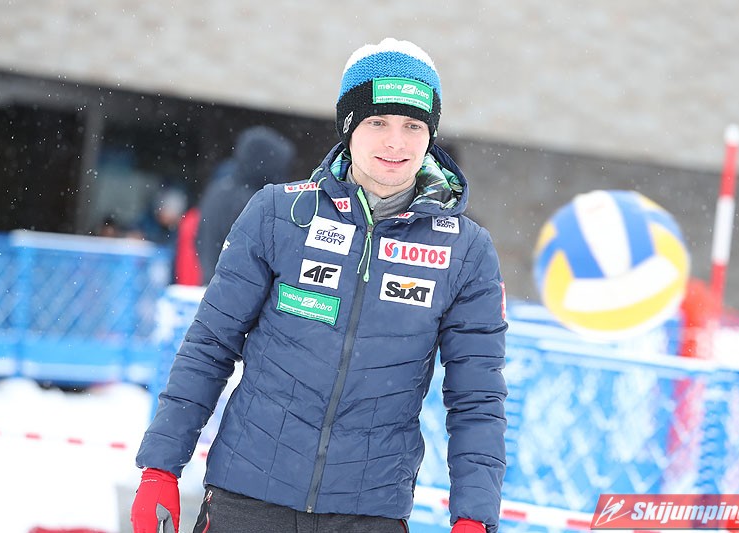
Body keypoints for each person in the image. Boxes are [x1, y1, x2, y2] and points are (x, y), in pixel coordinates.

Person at [131, 38, 508, 533]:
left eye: (413, 126)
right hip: (246, 500)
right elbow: (209, 347)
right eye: (378, 122)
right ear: (348, 127)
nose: (396, 142)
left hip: (368, 514)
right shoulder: (279, 213)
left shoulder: (466, 250)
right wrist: (160, 470)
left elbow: (477, 397)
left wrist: (474, 517)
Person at [195, 126, 296, 283]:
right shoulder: (251, 200)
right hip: (235, 288)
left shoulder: (221, 188)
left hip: (216, 282)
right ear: (265, 163)